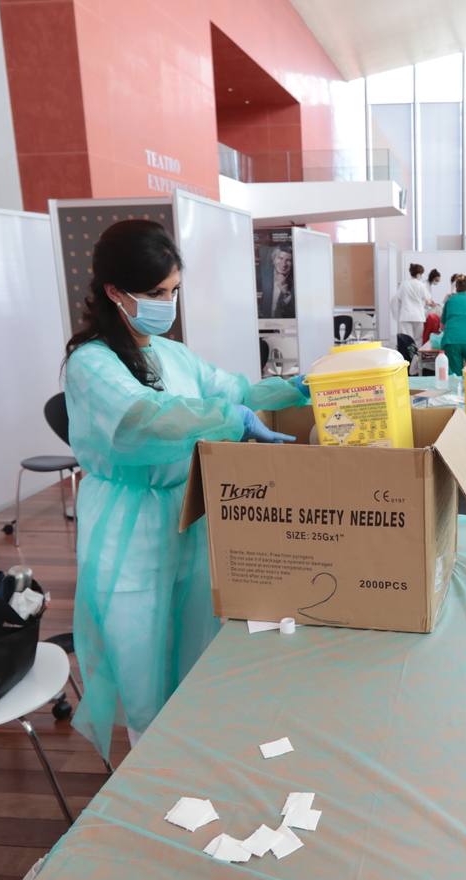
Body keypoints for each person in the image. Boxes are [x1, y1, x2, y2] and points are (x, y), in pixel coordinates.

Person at [62, 220, 308, 759]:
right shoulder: (90, 364)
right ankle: (152, 771)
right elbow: (145, 419)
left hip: (185, 515)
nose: (166, 304)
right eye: (154, 294)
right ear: (113, 292)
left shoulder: (171, 354)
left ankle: (193, 753)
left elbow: (233, 389)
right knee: (142, 662)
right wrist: (230, 417)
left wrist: (292, 390)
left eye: (173, 291)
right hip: (127, 529)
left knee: (194, 644)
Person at [393, 262, 434, 340]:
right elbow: (428, 300)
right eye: (422, 274)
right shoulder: (421, 285)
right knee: (418, 339)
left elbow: (399, 298)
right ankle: (416, 352)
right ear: (418, 274)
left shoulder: (404, 284)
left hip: (406, 315)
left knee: (407, 339)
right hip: (418, 316)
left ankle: (408, 352)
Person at [261, 245, 295, 318]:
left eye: (288, 260)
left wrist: (286, 294)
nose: (283, 264)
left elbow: (293, 313)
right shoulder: (263, 275)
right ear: (273, 259)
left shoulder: (296, 282)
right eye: (280, 258)